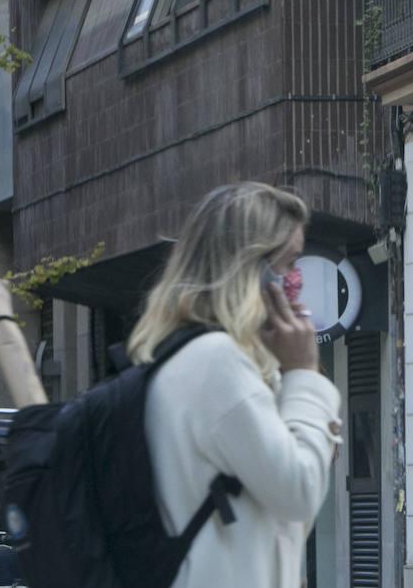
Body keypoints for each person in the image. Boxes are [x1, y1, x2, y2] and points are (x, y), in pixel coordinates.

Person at [126, 182, 342, 588]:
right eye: (289, 264)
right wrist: (305, 374)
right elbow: (299, 493)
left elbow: (281, 523)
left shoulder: (195, 359)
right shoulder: (215, 363)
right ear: (250, 268)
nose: (296, 281)